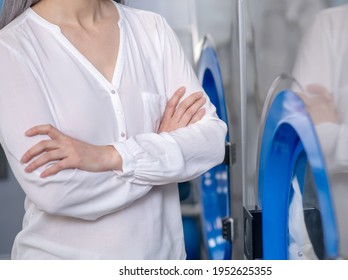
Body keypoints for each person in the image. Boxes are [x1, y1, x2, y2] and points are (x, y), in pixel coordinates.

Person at [0, 0, 227, 259]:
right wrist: (162, 151)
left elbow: (211, 141)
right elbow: (56, 191)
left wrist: (108, 157)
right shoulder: (11, 48)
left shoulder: (152, 30)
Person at [292, 0, 348, 259]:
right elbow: (302, 142)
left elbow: (321, 139)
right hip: (335, 250)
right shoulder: (328, 27)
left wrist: (333, 135)